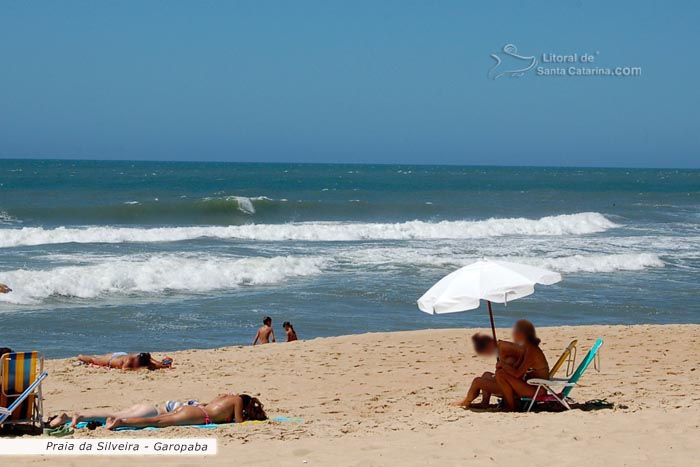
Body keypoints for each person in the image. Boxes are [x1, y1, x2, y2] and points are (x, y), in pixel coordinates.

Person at [103, 394, 267, 430]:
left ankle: (118, 419)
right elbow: (238, 421)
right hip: (200, 416)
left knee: (157, 418)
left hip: (193, 409)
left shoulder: (224, 397)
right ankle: (121, 422)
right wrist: (245, 418)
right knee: (156, 422)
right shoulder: (237, 400)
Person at [453, 333, 526, 408]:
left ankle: (466, 402)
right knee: (486, 375)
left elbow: (505, 374)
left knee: (477, 381)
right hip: (512, 384)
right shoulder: (515, 353)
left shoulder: (510, 357)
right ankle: (485, 402)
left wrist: (501, 366)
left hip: (509, 388)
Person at [494, 319, 550, 411]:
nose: (513, 334)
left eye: (515, 332)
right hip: (533, 386)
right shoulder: (528, 348)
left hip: (538, 391)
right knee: (501, 373)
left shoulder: (532, 351)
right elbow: (517, 368)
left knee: (501, 375)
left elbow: (517, 374)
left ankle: (510, 406)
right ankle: (509, 404)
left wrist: (503, 366)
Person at [77, 352, 171, 370]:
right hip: (112, 359)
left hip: (122, 355)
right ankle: (81, 356)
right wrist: (142, 369)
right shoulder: (130, 360)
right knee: (94, 360)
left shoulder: (145, 356)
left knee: (151, 364)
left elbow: (154, 362)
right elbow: (124, 369)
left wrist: (163, 366)